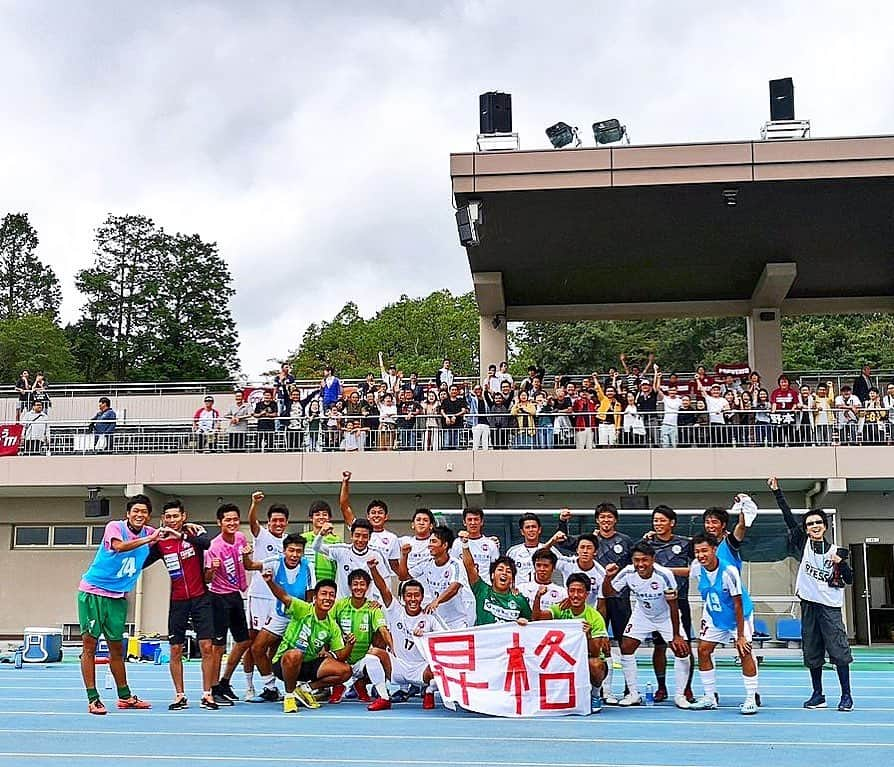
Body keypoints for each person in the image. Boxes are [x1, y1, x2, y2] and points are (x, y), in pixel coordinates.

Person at [769, 476, 854, 711]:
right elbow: (788, 518)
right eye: (809, 524)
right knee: (813, 652)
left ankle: (846, 695)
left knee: (839, 652)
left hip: (830, 608)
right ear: (805, 529)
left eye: (818, 523)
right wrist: (778, 492)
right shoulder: (803, 544)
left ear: (825, 526)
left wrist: (842, 564)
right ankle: (818, 694)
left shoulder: (836, 551)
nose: (814, 526)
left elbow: (849, 579)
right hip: (808, 606)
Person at [78, 495, 160, 714]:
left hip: (117, 596)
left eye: (144, 512)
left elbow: (171, 533)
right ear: (128, 513)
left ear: (148, 516)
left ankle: (125, 696)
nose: (139, 515)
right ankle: (93, 698)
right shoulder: (115, 527)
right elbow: (119, 547)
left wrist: (186, 528)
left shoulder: (151, 533)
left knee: (117, 647)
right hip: (93, 592)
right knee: (90, 646)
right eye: (136, 511)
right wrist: (149, 540)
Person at [143, 500, 217, 710]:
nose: (172, 520)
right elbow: (142, 562)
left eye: (176, 516)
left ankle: (207, 694)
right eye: (169, 517)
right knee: (176, 648)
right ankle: (179, 695)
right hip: (178, 600)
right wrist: (149, 541)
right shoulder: (161, 544)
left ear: (184, 516)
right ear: (163, 519)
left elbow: (207, 544)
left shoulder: (195, 534)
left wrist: (182, 536)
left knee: (206, 647)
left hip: (201, 597)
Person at [603, 543, 692, 709]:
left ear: (653, 560)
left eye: (645, 560)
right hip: (642, 614)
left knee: (682, 650)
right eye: (637, 560)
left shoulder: (664, 575)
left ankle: (680, 696)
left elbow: (673, 605)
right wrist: (608, 577)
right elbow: (609, 593)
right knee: (626, 646)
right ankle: (633, 693)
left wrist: (676, 635)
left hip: (666, 615)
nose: (640, 564)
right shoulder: (628, 572)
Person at [688, 533, 760, 715]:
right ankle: (709, 697)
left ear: (714, 550)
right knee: (703, 650)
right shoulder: (697, 567)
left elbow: (738, 603)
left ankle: (751, 698)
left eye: (704, 550)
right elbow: (685, 572)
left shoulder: (729, 572)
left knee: (744, 651)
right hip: (715, 615)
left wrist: (741, 636)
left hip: (738, 616)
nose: (700, 555)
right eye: (697, 552)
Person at [264, 574, 352, 712]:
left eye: (331, 595)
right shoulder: (303, 609)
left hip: (309, 664)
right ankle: (289, 696)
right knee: (295, 654)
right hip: (284, 663)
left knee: (345, 671)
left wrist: (349, 645)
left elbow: (340, 656)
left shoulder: (332, 625)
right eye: (324, 594)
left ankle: (305, 689)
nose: (328, 598)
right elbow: (284, 597)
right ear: (315, 598)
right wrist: (270, 582)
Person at [204, 502, 264, 706]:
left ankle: (224, 681)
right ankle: (213, 688)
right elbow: (207, 579)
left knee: (244, 641)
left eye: (235, 519)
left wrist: (268, 563)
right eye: (227, 520)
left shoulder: (240, 538)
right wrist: (212, 569)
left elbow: (247, 565)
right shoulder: (214, 546)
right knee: (217, 647)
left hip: (236, 595)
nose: (232, 523)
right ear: (219, 522)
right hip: (218, 598)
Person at [368, 558, 444, 710]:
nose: (413, 599)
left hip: (421, 670)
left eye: (417, 595)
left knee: (441, 669)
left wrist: (426, 637)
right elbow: (384, 589)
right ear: (403, 598)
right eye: (409, 595)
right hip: (397, 666)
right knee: (372, 654)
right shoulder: (396, 610)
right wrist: (373, 569)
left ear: (422, 597)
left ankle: (429, 691)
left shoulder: (430, 618)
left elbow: (444, 641)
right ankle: (384, 697)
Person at [249, 533, 315, 702]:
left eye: (298, 551)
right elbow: (249, 565)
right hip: (280, 616)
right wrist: (244, 553)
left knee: (302, 654)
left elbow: (310, 595)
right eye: (291, 550)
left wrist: (308, 622)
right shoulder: (274, 562)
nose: (294, 555)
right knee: (257, 648)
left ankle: (303, 688)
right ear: (284, 550)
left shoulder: (308, 567)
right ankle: (270, 687)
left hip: (300, 618)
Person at [532, 572, 609, 713]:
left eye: (580, 591)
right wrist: (538, 597)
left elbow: (596, 652)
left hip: (586, 660)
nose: (575, 595)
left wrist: (588, 635)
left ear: (586, 594)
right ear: (567, 592)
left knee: (595, 664)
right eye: (572, 591)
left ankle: (596, 694)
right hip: (564, 660)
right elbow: (537, 619)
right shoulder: (560, 609)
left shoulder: (595, 617)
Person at [640, 505, 694, 702]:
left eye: (662, 520)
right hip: (656, 603)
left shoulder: (685, 543)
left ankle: (687, 689)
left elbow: (695, 569)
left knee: (684, 646)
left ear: (672, 523)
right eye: (655, 520)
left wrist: (668, 571)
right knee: (660, 647)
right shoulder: (648, 544)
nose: (658, 524)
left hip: (679, 599)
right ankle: (661, 688)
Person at [242, 492, 290, 700]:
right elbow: (252, 522)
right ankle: (250, 685)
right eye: (274, 520)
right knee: (252, 644)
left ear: (287, 522)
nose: (278, 523)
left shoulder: (289, 542)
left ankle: (270, 685)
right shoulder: (262, 535)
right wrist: (254, 504)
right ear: (269, 522)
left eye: (282, 520)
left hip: (278, 600)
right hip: (259, 597)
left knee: (274, 645)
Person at [329, 569, 393, 704]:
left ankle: (364, 685)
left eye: (362, 584)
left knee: (378, 655)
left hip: (362, 660)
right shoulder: (339, 605)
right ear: (349, 586)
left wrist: (393, 650)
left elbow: (383, 630)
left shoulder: (373, 607)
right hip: (341, 659)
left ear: (368, 586)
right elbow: (325, 626)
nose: (358, 587)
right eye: (355, 584)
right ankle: (337, 685)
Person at [458, 530, 532, 625]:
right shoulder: (482, 590)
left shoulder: (519, 599)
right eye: (500, 569)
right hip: (484, 639)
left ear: (512, 578)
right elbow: (470, 568)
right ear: (492, 575)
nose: (504, 573)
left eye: (508, 571)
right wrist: (465, 544)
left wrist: (525, 623)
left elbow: (531, 624)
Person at [311, 519, 390, 602]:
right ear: (351, 535)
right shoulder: (342, 550)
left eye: (364, 536)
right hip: (342, 605)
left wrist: (377, 600)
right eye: (357, 535)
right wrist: (322, 533)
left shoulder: (376, 555)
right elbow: (316, 547)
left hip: (367, 606)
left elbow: (386, 580)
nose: (360, 540)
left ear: (369, 537)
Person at [408, 524, 470, 629]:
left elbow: (454, 587)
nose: (429, 545)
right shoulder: (427, 563)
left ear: (445, 545)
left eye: (434, 541)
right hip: (437, 620)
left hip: (457, 622)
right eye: (430, 541)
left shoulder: (456, 564)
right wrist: (404, 555)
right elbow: (404, 576)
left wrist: (437, 601)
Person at [339, 471, 400, 573]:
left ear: (386, 517)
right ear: (368, 516)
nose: (376, 515)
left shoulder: (392, 538)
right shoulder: (358, 528)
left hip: (381, 582)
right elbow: (344, 506)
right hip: (360, 581)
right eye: (373, 512)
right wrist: (345, 482)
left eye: (380, 512)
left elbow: (394, 566)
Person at [449, 507, 499, 584]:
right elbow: (452, 567)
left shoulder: (490, 544)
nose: (473, 523)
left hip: (484, 589)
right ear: (464, 522)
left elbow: (496, 569)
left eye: (476, 519)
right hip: (464, 587)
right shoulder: (457, 543)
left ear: (481, 522)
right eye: (469, 520)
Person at [301, 499, 341, 583]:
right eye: (317, 514)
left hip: (328, 582)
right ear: (311, 518)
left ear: (329, 518)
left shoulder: (336, 540)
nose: (321, 517)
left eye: (325, 514)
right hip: (306, 581)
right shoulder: (303, 538)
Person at [395, 508, 436, 579]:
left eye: (425, 520)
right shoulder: (404, 541)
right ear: (413, 525)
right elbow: (402, 577)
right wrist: (404, 555)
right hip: (410, 586)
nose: (421, 523)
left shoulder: (437, 543)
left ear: (431, 526)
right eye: (418, 520)